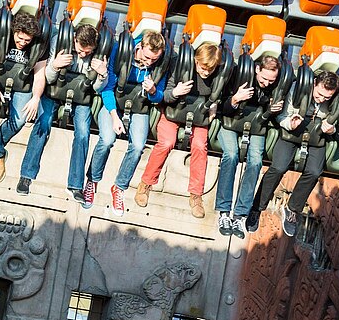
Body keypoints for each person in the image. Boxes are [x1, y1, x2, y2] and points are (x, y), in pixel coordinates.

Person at [16, 24, 108, 202]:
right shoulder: (59, 41)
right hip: (55, 90)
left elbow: (97, 89)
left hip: (81, 96)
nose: (83, 55)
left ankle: (75, 185)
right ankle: (26, 176)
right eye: (80, 51)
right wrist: (55, 66)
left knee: (83, 133)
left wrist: (102, 74)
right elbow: (48, 78)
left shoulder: (99, 53)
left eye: (87, 52)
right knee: (43, 123)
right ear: (74, 40)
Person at [83, 30, 168, 213]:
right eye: (147, 57)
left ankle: (119, 187)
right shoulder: (122, 50)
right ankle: (92, 180)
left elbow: (159, 97)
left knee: (137, 146)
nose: (149, 62)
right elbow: (107, 88)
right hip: (114, 102)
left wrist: (153, 91)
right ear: (140, 47)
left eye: (154, 59)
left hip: (139, 106)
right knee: (107, 139)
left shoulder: (160, 63)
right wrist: (114, 117)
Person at [136, 42, 223, 218]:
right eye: (203, 68)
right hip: (174, 111)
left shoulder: (217, 75)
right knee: (166, 142)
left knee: (199, 146)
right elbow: (165, 96)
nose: (206, 72)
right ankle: (146, 184)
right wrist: (176, 91)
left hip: (198, 115)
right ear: (196, 60)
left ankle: (196, 195)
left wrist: (215, 104)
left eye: (210, 70)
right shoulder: (180, 66)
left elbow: (220, 94)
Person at [247, 71, 339, 237]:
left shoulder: (334, 100)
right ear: (314, 84)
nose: (321, 99)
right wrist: (289, 123)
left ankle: (292, 209)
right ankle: (257, 207)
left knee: (314, 171)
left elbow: (336, 121)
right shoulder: (297, 88)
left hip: (316, 135)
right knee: (278, 167)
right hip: (291, 131)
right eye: (319, 94)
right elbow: (281, 116)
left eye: (327, 97)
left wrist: (331, 129)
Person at [215, 56, 283, 238]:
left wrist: (272, 110)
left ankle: (240, 215)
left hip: (256, 126)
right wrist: (235, 99)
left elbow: (270, 116)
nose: (267, 83)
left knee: (255, 162)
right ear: (257, 69)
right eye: (264, 79)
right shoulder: (238, 75)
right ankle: (224, 212)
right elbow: (222, 108)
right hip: (230, 122)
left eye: (271, 81)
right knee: (231, 155)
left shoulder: (274, 88)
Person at [0, 11, 45, 183]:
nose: (22, 43)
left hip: (22, 85)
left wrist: (36, 98)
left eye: (27, 40)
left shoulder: (38, 44)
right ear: (14, 31)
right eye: (20, 38)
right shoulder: (1, 34)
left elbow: (39, 76)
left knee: (21, 118)